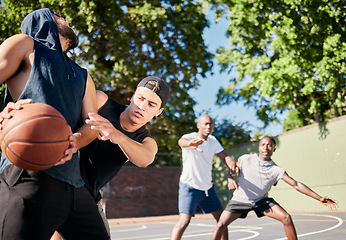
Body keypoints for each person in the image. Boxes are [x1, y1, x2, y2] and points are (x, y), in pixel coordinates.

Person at [0, 8, 110, 240]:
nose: (66, 20)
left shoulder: (82, 74)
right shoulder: (24, 45)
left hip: (73, 184)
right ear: (44, 19)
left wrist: (77, 139)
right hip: (27, 176)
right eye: (59, 14)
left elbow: (93, 124)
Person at [51, 76, 170, 240]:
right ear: (132, 96)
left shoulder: (145, 141)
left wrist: (116, 135)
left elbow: (145, 159)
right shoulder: (101, 101)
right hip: (59, 181)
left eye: (151, 104)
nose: (142, 106)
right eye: (140, 98)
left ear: (158, 112)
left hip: (88, 195)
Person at [210, 136, 339, 240]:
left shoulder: (276, 170)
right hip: (240, 200)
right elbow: (231, 170)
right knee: (220, 225)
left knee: (286, 218)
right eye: (263, 145)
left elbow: (296, 184)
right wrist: (230, 179)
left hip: (261, 201)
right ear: (259, 147)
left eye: (269, 145)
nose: (266, 147)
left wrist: (319, 198)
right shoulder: (246, 159)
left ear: (274, 149)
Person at [170, 114, 236, 240]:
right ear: (198, 125)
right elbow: (181, 142)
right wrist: (190, 143)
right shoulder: (189, 137)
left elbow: (225, 157)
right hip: (189, 186)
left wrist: (231, 162)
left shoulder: (213, 141)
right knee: (184, 222)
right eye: (205, 123)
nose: (208, 126)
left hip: (207, 188)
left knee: (222, 221)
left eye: (210, 123)